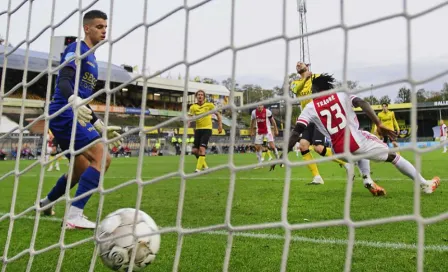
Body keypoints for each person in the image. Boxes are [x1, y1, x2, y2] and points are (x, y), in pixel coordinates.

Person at [271, 74, 440, 195]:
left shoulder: (309, 108)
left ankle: (367, 179)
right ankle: (425, 184)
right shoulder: (341, 95)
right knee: (393, 156)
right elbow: (362, 102)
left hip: (338, 150)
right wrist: (378, 123)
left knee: (359, 151)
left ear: (316, 90)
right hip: (356, 142)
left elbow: (296, 132)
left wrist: (282, 155)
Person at [38, 10, 122, 229]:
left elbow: (82, 96)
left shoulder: (93, 59)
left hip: (74, 113)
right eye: (99, 27)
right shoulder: (76, 49)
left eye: (105, 27)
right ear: (87, 28)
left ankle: (45, 203)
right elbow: (65, 79)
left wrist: (97, 123)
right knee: (102, 157)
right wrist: (72, 99)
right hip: (64, 111)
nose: (104, 31)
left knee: (81, 167)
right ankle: (75, 215)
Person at [291, 62, 349, 185]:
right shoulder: (295, 83)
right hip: (306, 117)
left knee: (318, 148)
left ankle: (346, 163)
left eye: (300, 63)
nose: (298, 65)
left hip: (319, 116)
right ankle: (317, 177)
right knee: (303, 146)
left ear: (307, 66)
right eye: (297, 65)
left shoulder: (317, 78)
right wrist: (306, 78)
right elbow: (296, 90)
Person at [188, 90, 222, 172]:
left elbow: (218, 115)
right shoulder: (193, 107)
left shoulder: (209, 105)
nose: (200, 96)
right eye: (198, 95)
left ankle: (198, 169)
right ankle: (205, 166)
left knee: (202, 148)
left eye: (201, 95)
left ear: (204, 96)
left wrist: (220, 125)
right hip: (198, 129)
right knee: (194, 151)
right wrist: (188, 124)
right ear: (196, 97)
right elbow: (189, 117)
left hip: (207, 129)